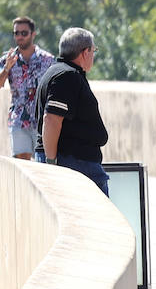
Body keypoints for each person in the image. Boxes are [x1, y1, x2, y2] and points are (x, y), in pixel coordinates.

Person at [35, 27, 108, 193]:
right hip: (73, 162)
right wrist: (52, 163)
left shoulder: (59, 72)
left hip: (73, 162)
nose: (94, 55)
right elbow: (52, 120)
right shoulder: (66, 76)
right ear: (85, 52)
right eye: (93, 50)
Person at [1, 15, 54, 159]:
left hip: (42, 120)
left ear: (33, 34)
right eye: (16, 33)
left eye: (24, 33)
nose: (20, 37)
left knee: (42, 164)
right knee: (22, 164)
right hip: (19, 119)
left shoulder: (47, 59)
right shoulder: (7, 59)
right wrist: (6, 69)